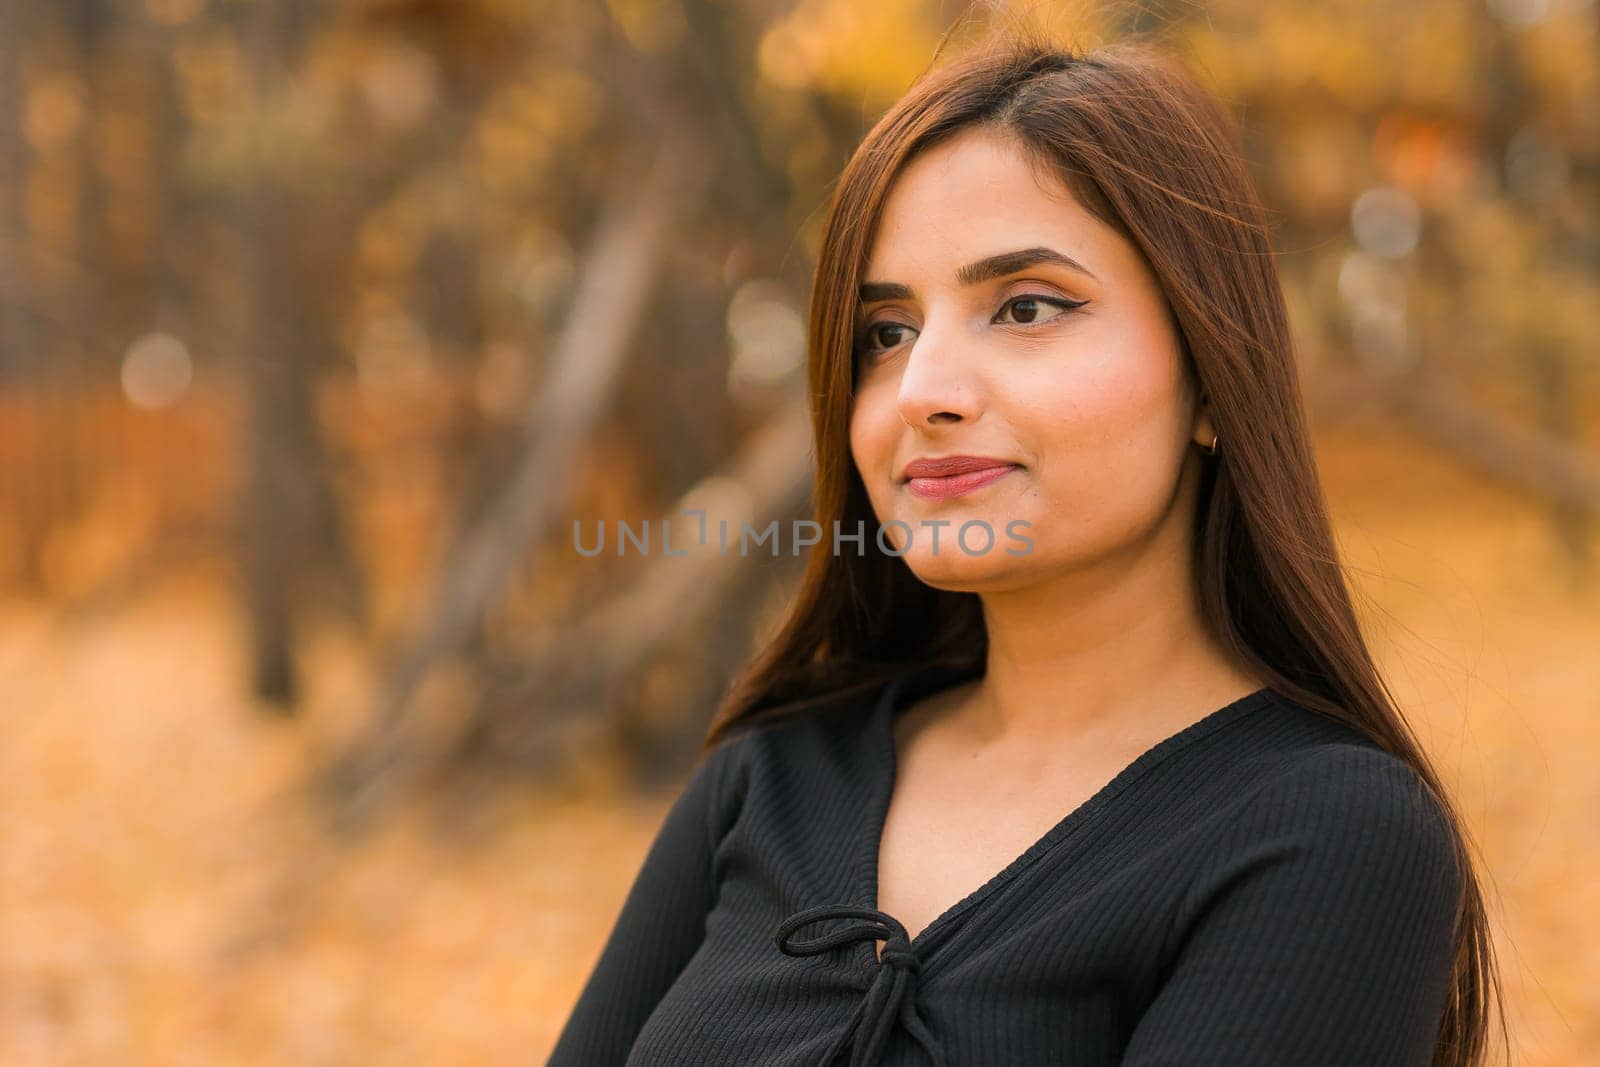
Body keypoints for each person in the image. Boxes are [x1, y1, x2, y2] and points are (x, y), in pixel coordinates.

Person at [548, 26, 1505, 1067]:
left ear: (1211, 378)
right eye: (886, 332)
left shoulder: (1326, 834)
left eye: (1026, 306)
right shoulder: (770, 774)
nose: (924, 392)